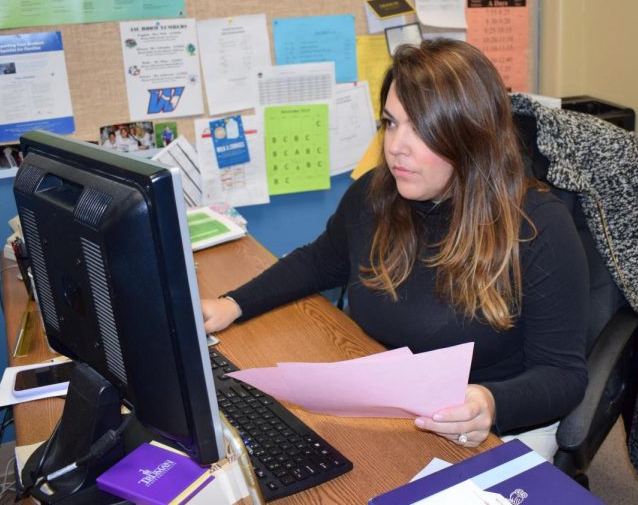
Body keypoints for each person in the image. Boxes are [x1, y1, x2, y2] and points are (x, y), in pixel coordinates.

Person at [201, 39, 589, 458]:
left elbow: (563, 375)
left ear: (470, 137)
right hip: (388, 405)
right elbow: (318, 262)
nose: (395, 146)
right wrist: (232, 304)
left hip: (492, 426)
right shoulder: (377, 193)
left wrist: (490, 402)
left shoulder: (538, 227)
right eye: (391, 122)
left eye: (420, 129)